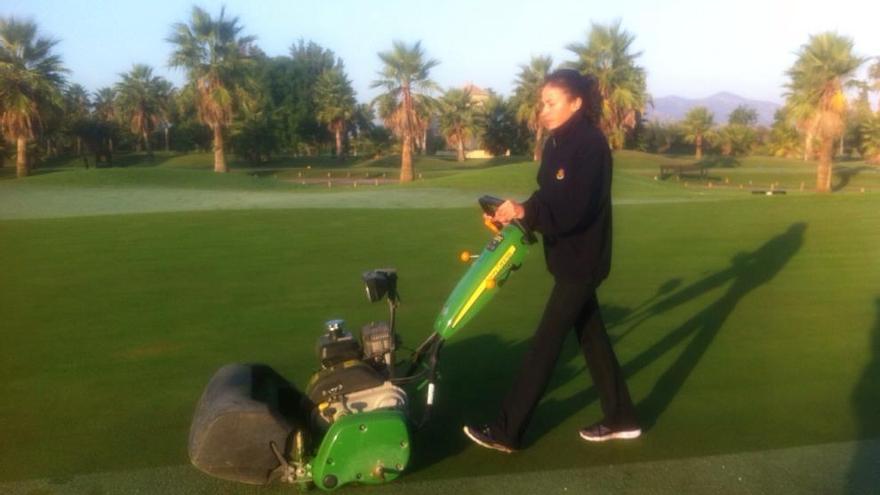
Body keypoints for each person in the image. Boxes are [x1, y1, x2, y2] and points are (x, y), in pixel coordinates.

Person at [462, 69, 640, 453]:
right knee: (592, 339)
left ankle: (507, 431)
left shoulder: (590, 145)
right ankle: (622, 417)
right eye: (542, 103)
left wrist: (527, 212)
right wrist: (517, 211)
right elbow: (546, 195)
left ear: (576, 103)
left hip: (583, 262)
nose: (542, 110)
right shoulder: (558, 142)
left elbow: (574, 209)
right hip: (566, 259)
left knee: (544, 344)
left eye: (551, 103)